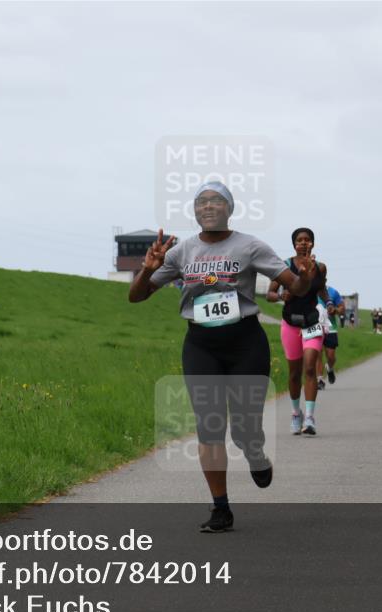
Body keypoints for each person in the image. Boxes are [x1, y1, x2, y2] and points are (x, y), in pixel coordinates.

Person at [129, 182, 318, 533]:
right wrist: (147, 268)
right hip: (201, 345)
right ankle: (220, 508)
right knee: (209, 426)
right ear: (195, 211)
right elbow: (136, 296)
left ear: (230, 209)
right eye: (201, 202)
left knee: (245, 427)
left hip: (245, 341)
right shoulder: (181, 251)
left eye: (216, 201)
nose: (208, 207)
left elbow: (295, 286)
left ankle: (256, 455)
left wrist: (305, 279)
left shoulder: (249, 246)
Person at [266, 228, 333, 438]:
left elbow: (322, 289)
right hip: (290, 323)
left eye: (307, 240)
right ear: (294, 244)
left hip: (312, 323)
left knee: (310, 367)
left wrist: (329, 302)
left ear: (313, 244)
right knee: (294, 373)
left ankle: (310, 418)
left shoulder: (320, 267)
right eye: (299, 240)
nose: (303, 243)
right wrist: (279, 296)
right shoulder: (284, 266)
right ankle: (296, 413)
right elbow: (269, 293)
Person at [316, 285, 343, 387]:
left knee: (331, 356)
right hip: (315, 327)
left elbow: (342, 308)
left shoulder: (333, 292)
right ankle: (319, 380)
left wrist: (335, 310)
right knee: (318, 354)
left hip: (330, 328)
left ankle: (329, 368)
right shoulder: (309, 289)